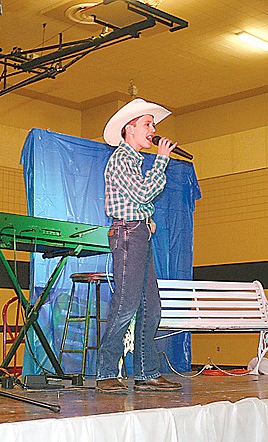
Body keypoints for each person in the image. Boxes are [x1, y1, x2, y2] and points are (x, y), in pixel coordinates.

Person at [95, 98, 182, 393]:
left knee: (151, 308)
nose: (153, 130)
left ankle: (146, 372)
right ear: (129, 129)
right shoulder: (121, 158)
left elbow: (137, 200)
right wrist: (162, 160)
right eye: (148, 124)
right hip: (129, 236)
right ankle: (106, 371)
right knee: (126, 304)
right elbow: (144, 193)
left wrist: (147, 219)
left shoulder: (133, 160)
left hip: (138, 234)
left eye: (153, 125)